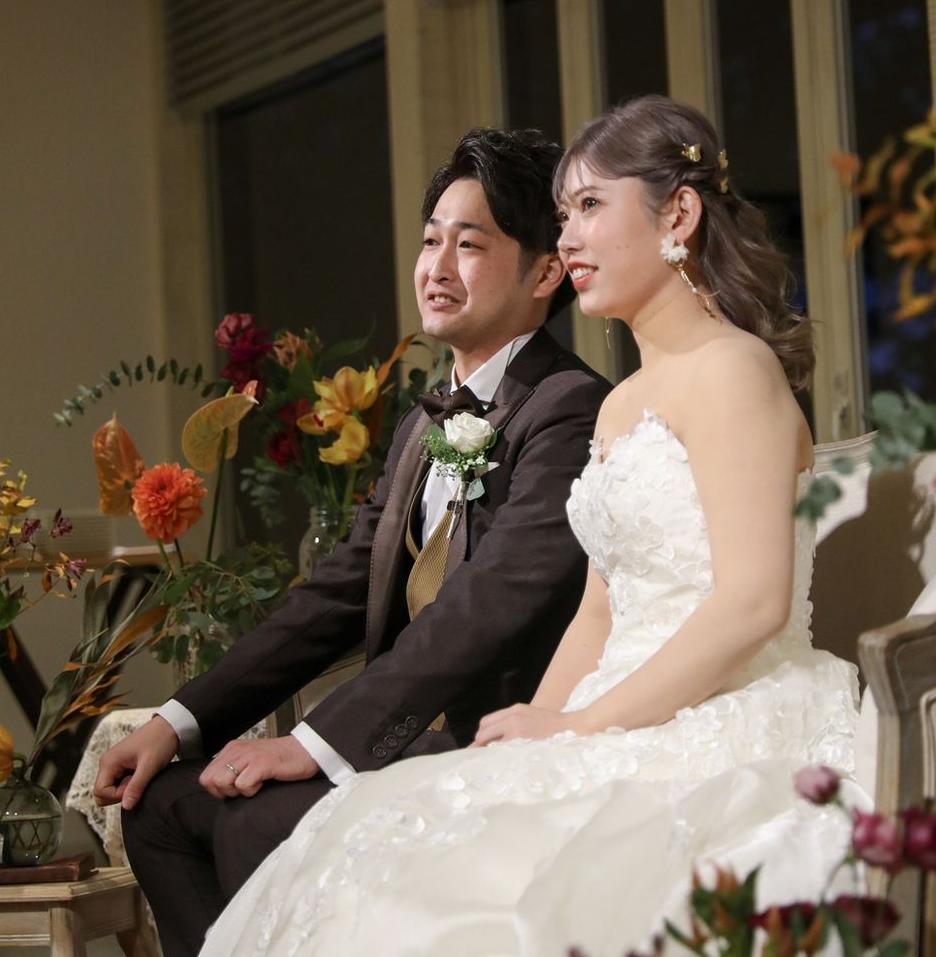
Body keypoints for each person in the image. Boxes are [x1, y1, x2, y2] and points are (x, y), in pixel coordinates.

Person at [198, 95, 863, 957]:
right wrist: (531, 737)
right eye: (562, 213)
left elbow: (753, 604)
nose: (569, 237)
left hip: (724, 713)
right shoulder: (621, 406)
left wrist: (583, 729)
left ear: (678, 214)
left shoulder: (733, 371)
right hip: (609, 713)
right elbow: (598, 612)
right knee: (380, 844)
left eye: (589, 206)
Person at [93, 127, 611, 957]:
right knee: (157, 807)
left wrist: (314, 743)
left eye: (470, 245)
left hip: (492, 739)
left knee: (258, 821)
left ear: (546, 272)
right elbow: (335, 592)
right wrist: (179, 719)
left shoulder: (572, 409)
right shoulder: (422, 421)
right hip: (403, 736)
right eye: (431, 240)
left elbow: (489, 605)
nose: (437, 268)